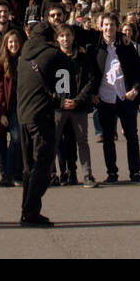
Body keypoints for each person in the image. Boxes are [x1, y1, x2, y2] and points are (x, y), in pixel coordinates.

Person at [17, 19, 69, 225]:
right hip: (41, 117)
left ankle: (26, 209)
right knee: (43, 164)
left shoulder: (23, 55)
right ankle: (30, 211)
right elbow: (71, 68)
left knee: (29, 166)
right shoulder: (52, 54)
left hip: (23, 116)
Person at [93, 12, 140, 181]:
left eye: (112, 25)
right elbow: (90, 72)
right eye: (106, 25)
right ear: (101, 27)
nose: (109, 28)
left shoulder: (126, 46)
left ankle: (135, 172)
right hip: (105, 97)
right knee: (108, 138)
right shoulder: (95, 47)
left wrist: (136, 89)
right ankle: (112, 173)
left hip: (125, 96)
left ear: (117, 27)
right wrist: (92, 94)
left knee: (132, 136)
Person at [53, 21, 96, 187]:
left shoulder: (82, 56)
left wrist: (77, 100)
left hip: (78, 105)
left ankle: (87, 175)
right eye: (62, 36)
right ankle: (51, 174)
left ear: (73, 36)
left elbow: (90, 80)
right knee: (53, 140)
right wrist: (60, 101)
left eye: (68, 35)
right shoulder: (53, 57)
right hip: (58, 105)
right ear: (57, 39)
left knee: (82, 141)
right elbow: (47, 81)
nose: (65, 39)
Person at [0, 28, 25, 187]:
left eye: (16, 41)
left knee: (17, 139)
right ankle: (8, 174)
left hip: (20, 105)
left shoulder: (24, 60)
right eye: (10, 42)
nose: (13, 44)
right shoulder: (0, 63)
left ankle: (13, 173)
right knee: (10, 139)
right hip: (6, 106)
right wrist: (1, 112)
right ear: (6, 44)